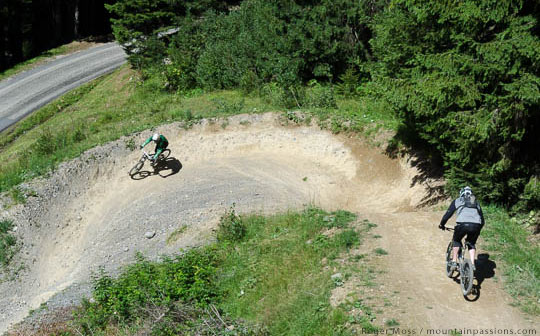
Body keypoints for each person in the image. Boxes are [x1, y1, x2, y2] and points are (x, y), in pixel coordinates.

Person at [439, 186, 485, 271]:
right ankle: (472, 263)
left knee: (456, 240)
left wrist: (442, 224)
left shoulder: (458, 200)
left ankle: (454, 261)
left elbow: (448, 214)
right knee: (471, 243)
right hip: (476, 226)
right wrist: (478, 229)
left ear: (461, 193)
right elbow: (482, 220)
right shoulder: (476, 203)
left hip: (462, 225)